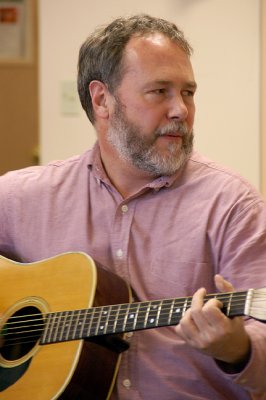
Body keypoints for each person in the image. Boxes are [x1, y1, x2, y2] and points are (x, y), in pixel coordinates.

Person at [0, 13, 266, 400]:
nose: (181, 111)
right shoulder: (20, 197)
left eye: (188, 92)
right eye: (160, 91)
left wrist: (236, 349)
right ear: (102, 100)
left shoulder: (232, 204)